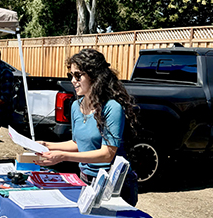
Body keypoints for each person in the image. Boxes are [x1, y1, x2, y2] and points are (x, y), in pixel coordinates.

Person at [38, 48, 138, 206]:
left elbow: (107, 154)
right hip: (86, 179)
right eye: (71, 75)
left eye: (78, 75)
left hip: (113, 184)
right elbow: (79, 144)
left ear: (95, 76)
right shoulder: (75, 106)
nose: (73, 80)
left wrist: (63, 156)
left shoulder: (112, 107)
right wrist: (48, 145)